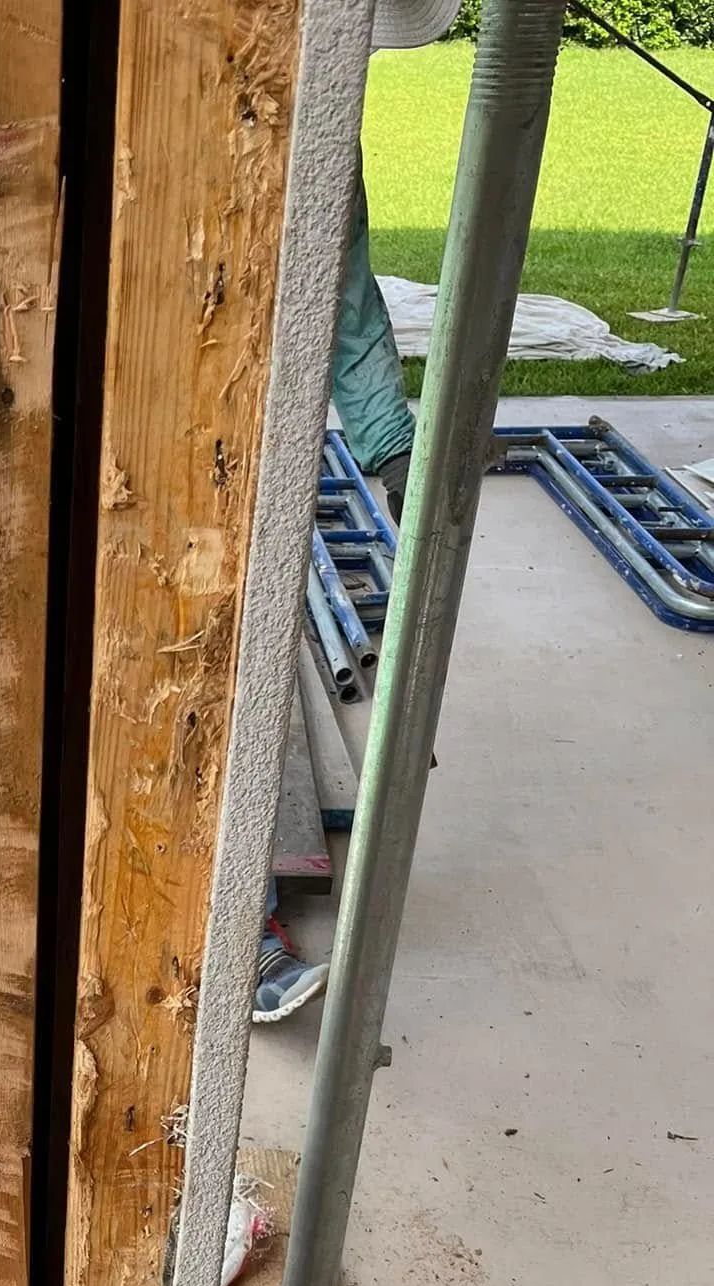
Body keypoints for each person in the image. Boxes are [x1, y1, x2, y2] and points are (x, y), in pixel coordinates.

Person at [254, 159, 413, 1024]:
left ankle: (242, 936)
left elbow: (340, 286)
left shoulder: (314, 98)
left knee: (243, 684)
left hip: (247, 433)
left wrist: (392, 447)